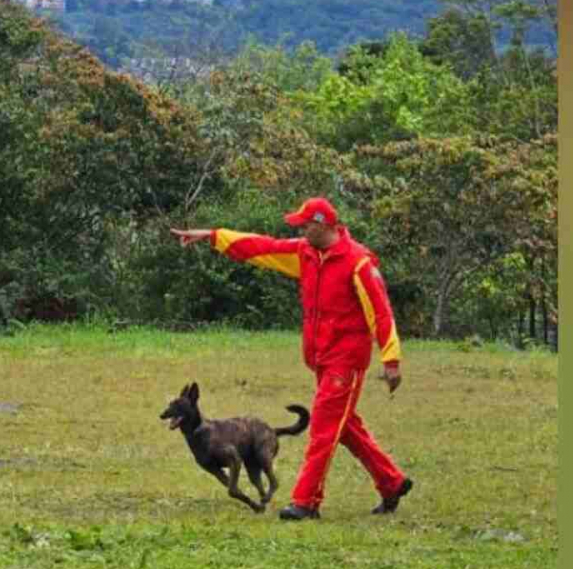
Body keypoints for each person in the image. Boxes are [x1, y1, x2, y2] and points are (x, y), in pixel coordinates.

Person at [171, 197, 414, 521]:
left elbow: (381, 312)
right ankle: (391, 482)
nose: (300, 229)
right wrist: (214, 236)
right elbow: (263, 247)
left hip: (347, 360)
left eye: (305, 224)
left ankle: (306, 501)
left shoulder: (358, 263)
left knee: (325, 428)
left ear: (323, 225)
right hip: (322, 357)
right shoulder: (306, 253)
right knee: (345, 426)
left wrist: (391, 359)